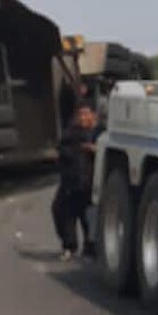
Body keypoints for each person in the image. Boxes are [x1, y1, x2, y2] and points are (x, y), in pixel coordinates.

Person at [52, 100, 98, 260]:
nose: (83, 118)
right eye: (81, 115)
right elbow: (61, 152)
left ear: (94, 116)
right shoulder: (70, 134)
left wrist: (95, 150)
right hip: (70, 183)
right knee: (64, 214)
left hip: (90, 185)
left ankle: (91, 248)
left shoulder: (98, 134)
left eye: (87, 114)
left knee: (89, 217)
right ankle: (69, 246)